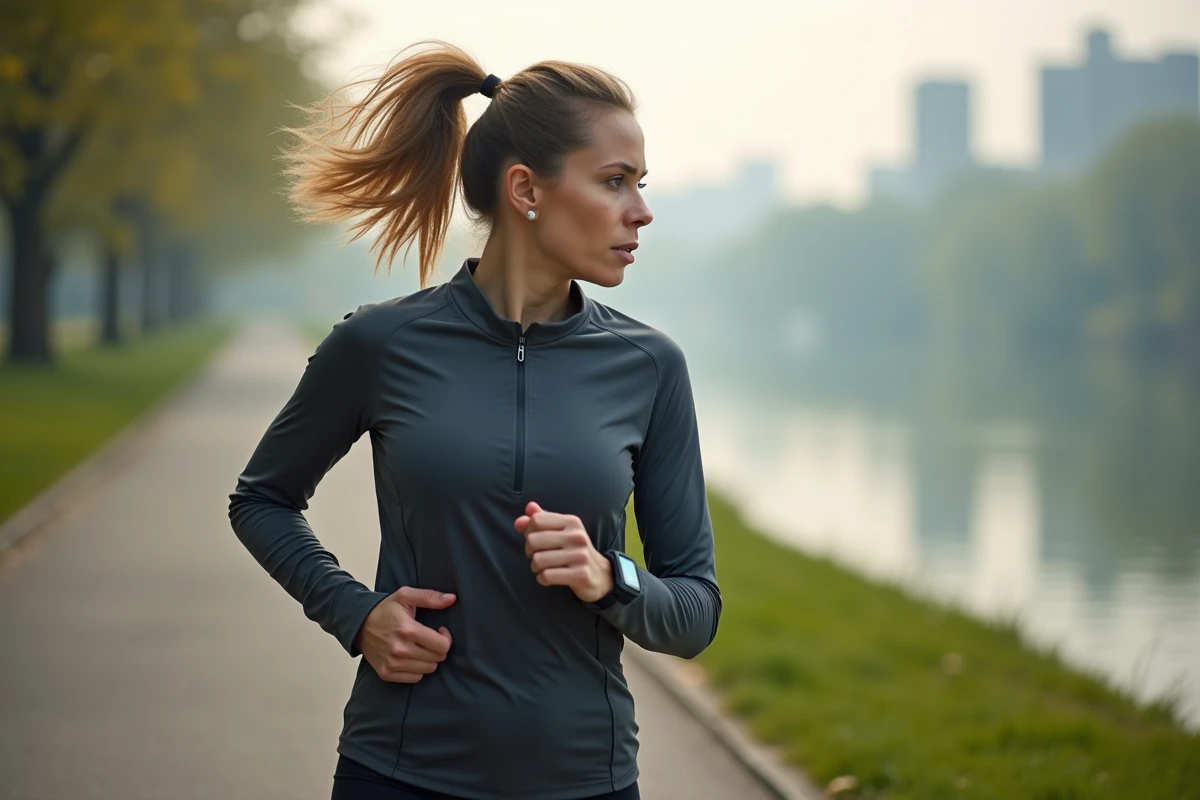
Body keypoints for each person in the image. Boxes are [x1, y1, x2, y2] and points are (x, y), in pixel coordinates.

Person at [227, 39, 721, 800]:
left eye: (640, 183)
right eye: (615, 182)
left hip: (585, 780)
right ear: (527, 189)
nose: (641, 211)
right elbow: (261, 499)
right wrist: (357, 615)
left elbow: (694, 612)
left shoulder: (650, 366)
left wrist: (608, 575)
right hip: (398, 773)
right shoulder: (380, 344)